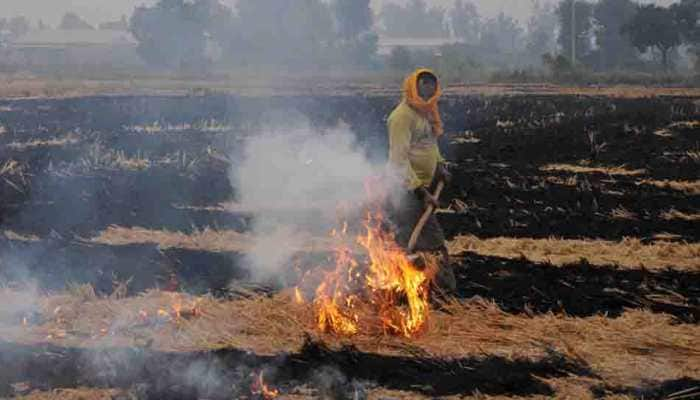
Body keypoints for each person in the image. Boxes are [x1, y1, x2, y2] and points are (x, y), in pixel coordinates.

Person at [386, 68, 456, 293]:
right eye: (423, 85)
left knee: (412, 240)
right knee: (428, 240)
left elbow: (430, 144)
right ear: (412, 87)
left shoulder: (426, 112)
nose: (428, 91)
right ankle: (443, 291)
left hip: (423, 187)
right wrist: (419, 191)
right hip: (406, 191)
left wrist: (440, 165)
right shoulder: (401, 117)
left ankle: (419, 290)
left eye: (431, 86)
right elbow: (399, 160)